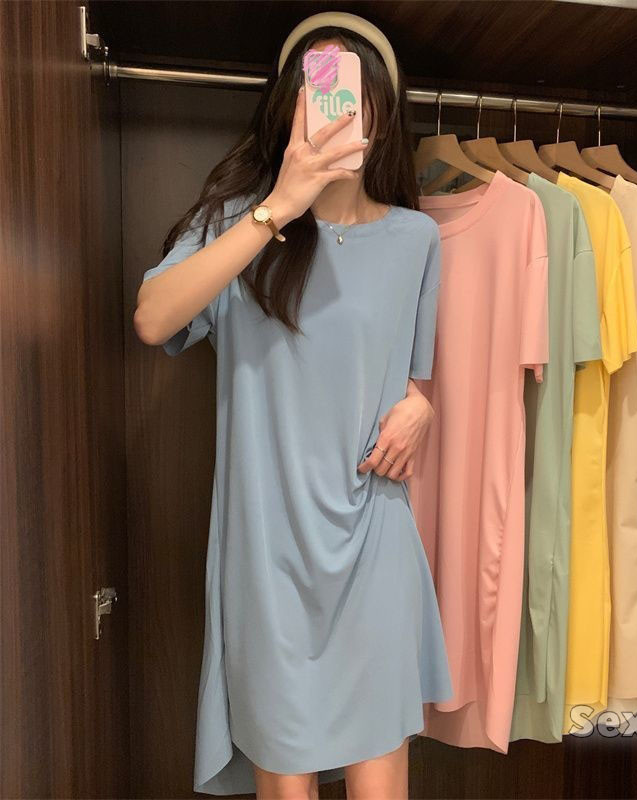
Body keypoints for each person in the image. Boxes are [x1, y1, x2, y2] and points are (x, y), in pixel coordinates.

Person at [133, 11, 453, 800]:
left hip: (374, 542)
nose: (335, 112)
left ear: (380, 112)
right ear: (289, 108)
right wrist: (277, 205)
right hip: (269, 558)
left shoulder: (416, 240)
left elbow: (412, 376)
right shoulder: (235, 226)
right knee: (286, 785)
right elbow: (153, 319)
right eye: (319, 92)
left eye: (350, 94)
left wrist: (423, 408)